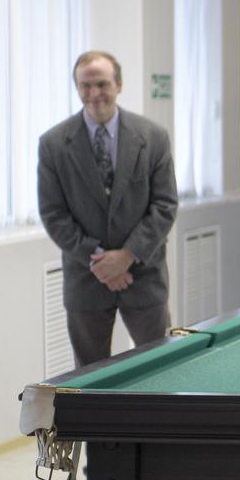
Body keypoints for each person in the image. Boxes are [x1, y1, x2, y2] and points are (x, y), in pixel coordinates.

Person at [38, 50, 178, 368]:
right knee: (89, 379)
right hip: (87, 277)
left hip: (143, 275)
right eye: (85, 86)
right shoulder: (53, 144)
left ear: (119, 84)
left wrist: (126, 256)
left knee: (159, 368)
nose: (94, 94)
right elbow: (53, 213)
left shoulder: (153, 137)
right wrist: (100, 260)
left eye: (102, 84)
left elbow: (165, 204)